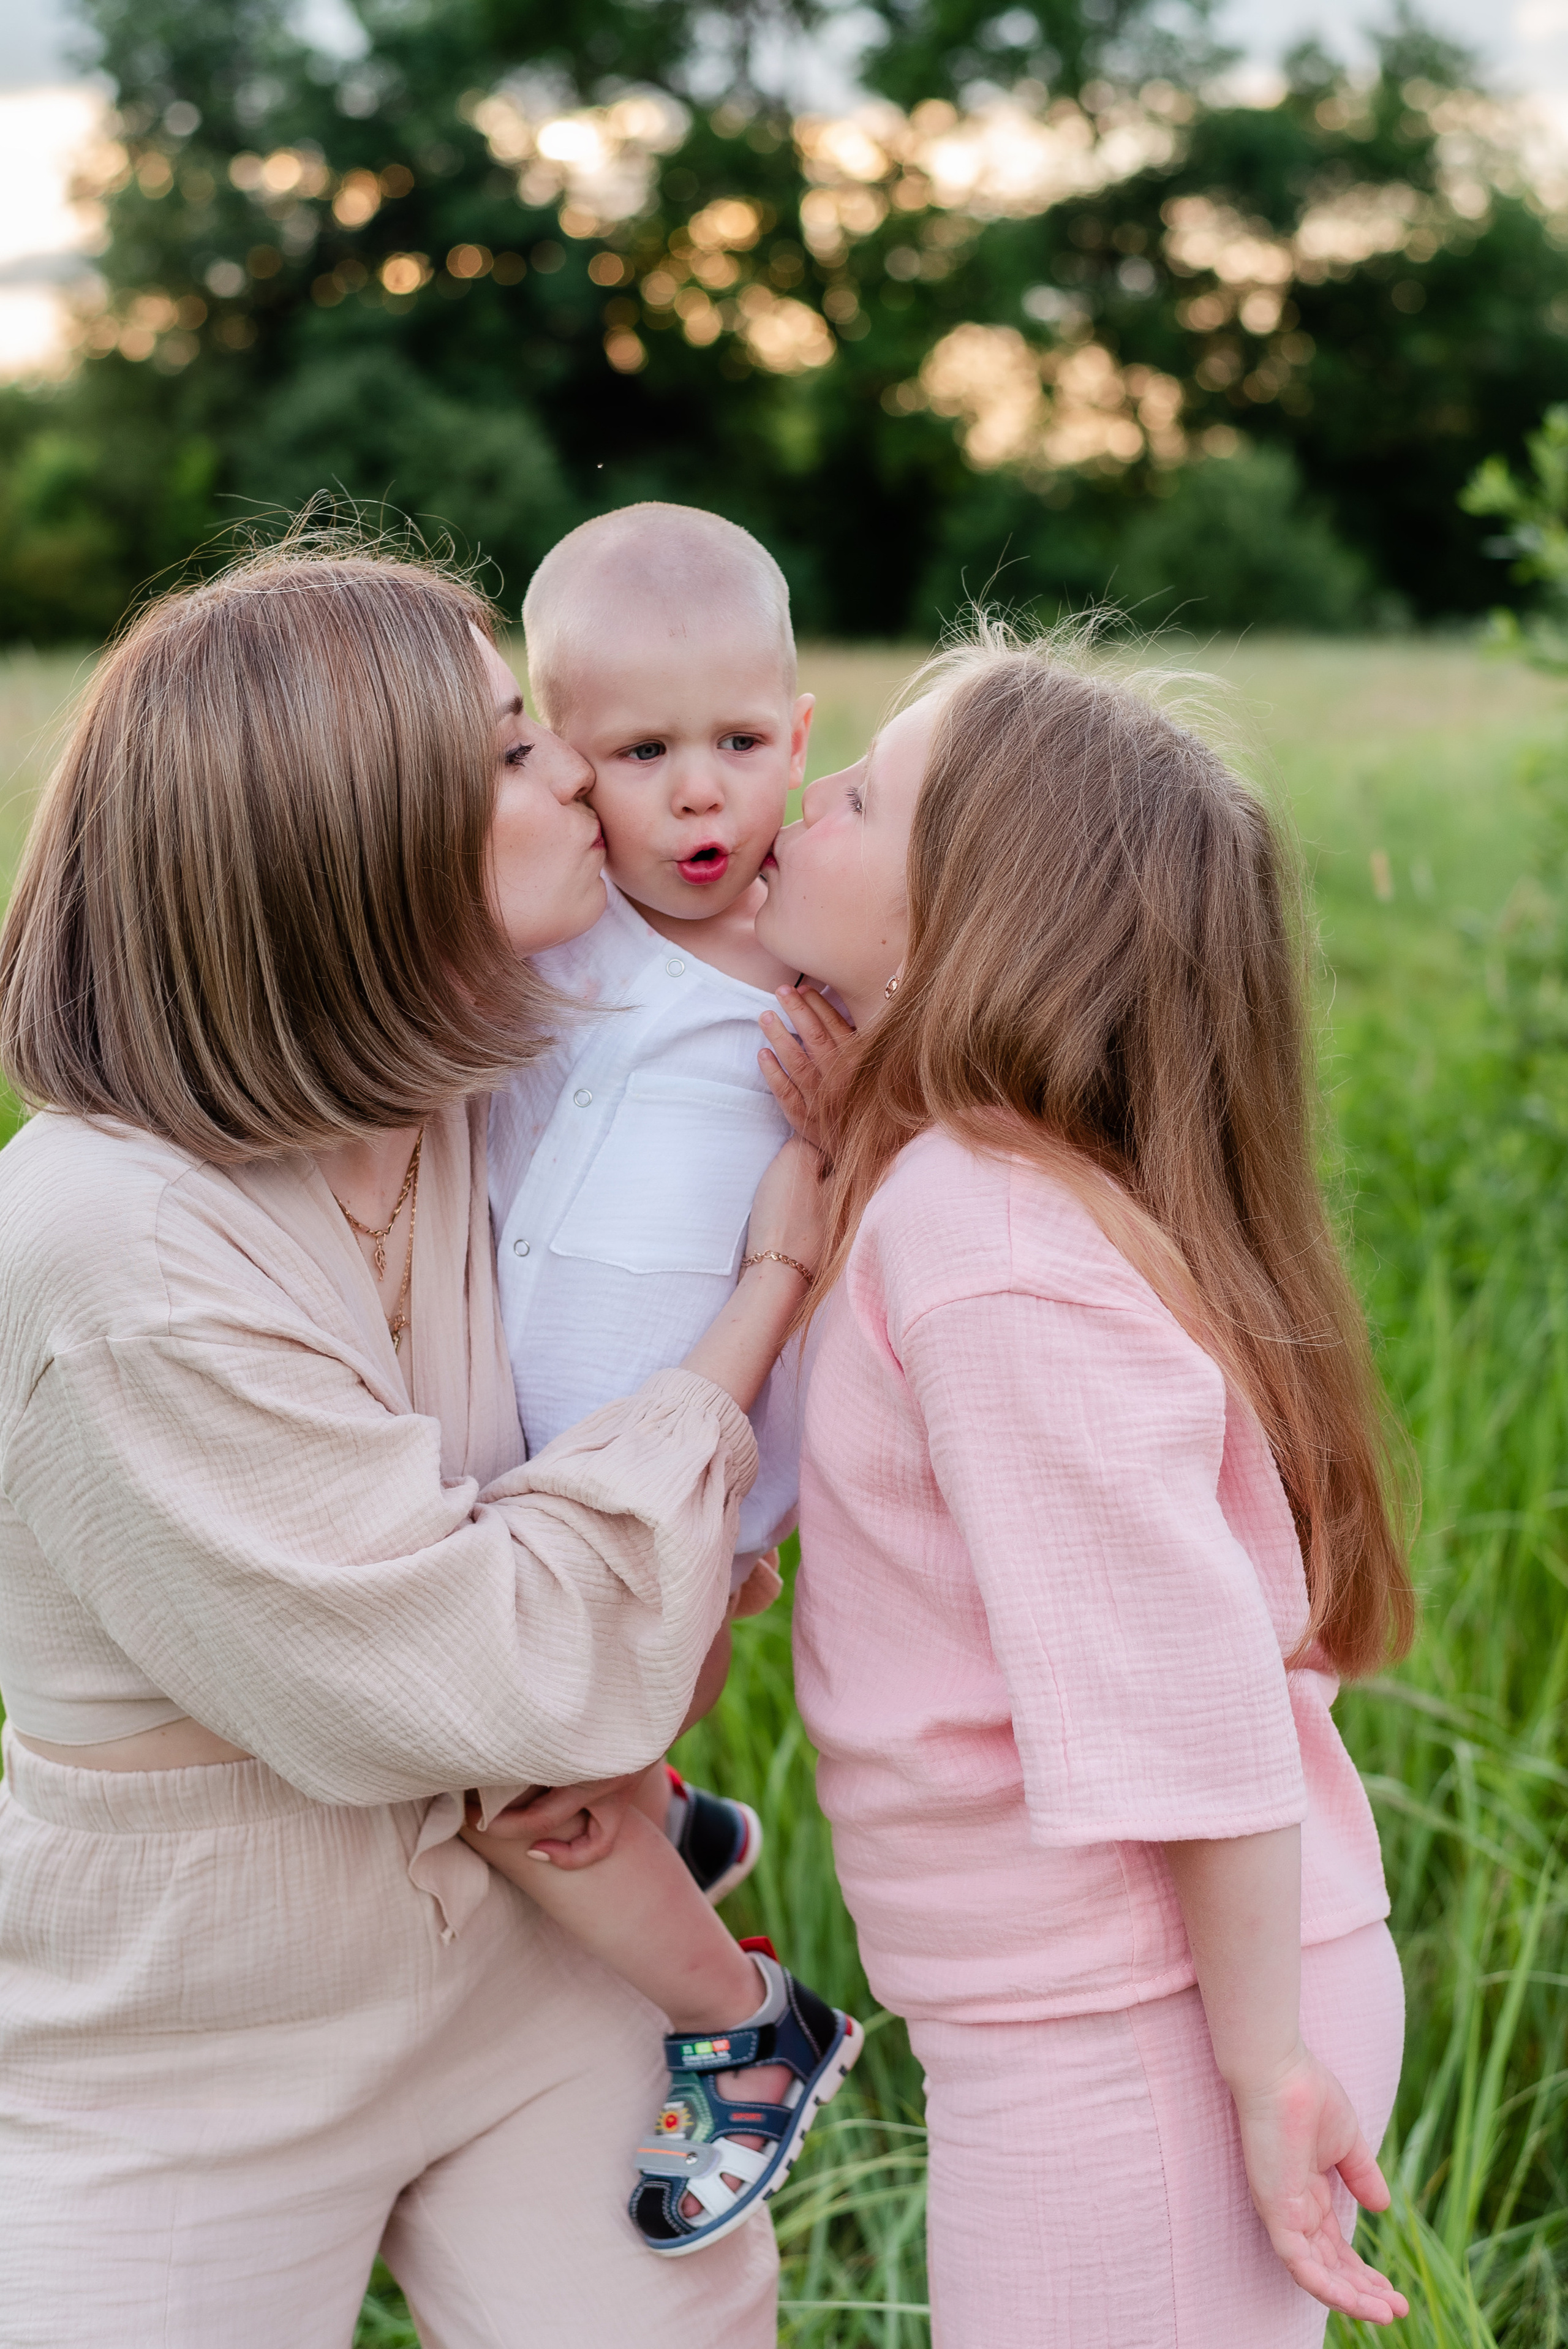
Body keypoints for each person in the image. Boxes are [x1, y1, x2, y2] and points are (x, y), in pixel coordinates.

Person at [0, 540, 823, 2348]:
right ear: (357, 851)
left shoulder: (474, 1084)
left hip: (530, 1963)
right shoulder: (110, 1242)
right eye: (517, 752)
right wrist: (769, 1289)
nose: (581, 788)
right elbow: (507, 1665)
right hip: (189, 2039)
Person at [752, 624, 1418, 2348]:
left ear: (961, 920)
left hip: (1153, 2022)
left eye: (864, 794)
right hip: (1121, 2001)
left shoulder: (984, 1244)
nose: (806, 796)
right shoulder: (989, 1192)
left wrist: (1264, 2063)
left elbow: (1187, 1694)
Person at [473, 502, 861, 2258]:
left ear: (799, 738)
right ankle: (674, 1817)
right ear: (564, 764)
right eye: (640, 753)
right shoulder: (555, 942)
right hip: (523, 1468)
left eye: (735, 745)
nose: (698, 796)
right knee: (575, 1765)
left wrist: (853, 1119)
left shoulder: (822, 969)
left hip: (684, 1488)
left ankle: (745, 2024)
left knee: (530, 1789)